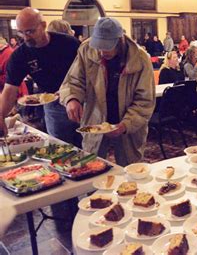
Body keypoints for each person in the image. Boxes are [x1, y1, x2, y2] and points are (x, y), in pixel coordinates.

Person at [59, 17, 155, 166]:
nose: (102, 51)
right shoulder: (87, 49)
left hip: (127, 125)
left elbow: (145, 101)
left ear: (120, 40)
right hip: (95, 119)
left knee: (131, 169)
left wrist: (125, 125)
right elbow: (74, 80)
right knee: (90, 167)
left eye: (107, 46)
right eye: (99, 46)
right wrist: (72, 99)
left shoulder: (140, 59)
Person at [0, 8, 81, 146]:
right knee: (60, 147)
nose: (26, 37)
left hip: (80, 100)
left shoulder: (69, 43)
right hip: (53, 104)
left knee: (88, 147)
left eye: (30, 31)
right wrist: (1, 115)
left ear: (43, 25)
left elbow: (87, 72)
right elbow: (10, 90)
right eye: (21, 32)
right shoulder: (20, 55)